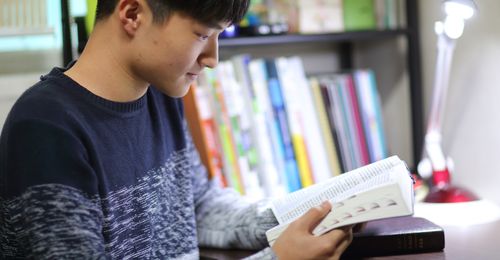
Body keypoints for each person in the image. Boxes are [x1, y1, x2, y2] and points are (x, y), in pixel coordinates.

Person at [0, 0, 354, 259]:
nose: (213, 58)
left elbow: (199, 206)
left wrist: (311, 212)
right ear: (132, 14)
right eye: (202, 35)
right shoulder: (45, 129)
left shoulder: (160, 93)